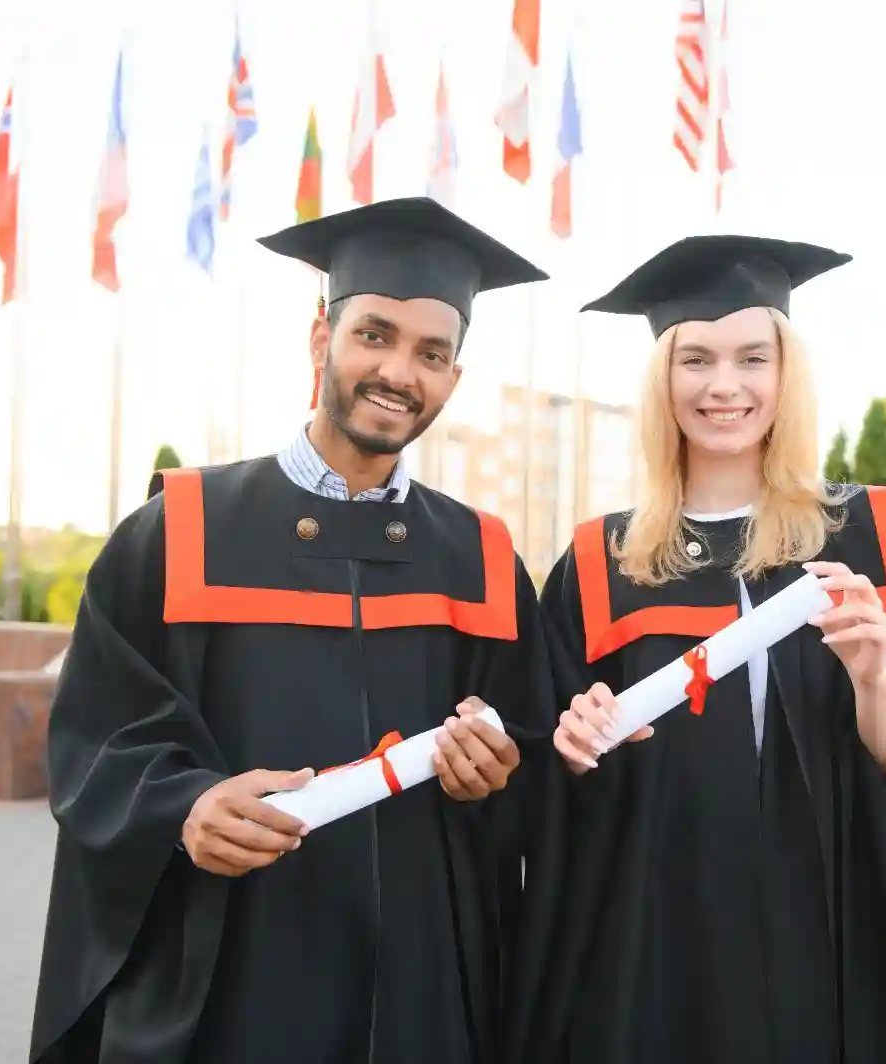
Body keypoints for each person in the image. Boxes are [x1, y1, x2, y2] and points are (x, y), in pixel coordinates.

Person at [29, 197, 559, 1064]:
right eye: (374, 335)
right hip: (233, 966)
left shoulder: (484, 559)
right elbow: (100, 738)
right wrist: (184, 806)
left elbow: (528, 748)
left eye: (431, 353)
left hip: (423, 987)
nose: (399, 370)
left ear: (453, 380)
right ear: (322, 339)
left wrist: (493, 770)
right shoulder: (181, 531)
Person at [505, 236, 886, 1064]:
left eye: (753, 357)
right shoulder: (601, 565)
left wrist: (872, 680)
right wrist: (572, 750)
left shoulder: (868, 536)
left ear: (787, 375)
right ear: (662, 381)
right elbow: (550, 786)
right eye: (696, 359)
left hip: (830, 931)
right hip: (661, 943)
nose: (725, 386)